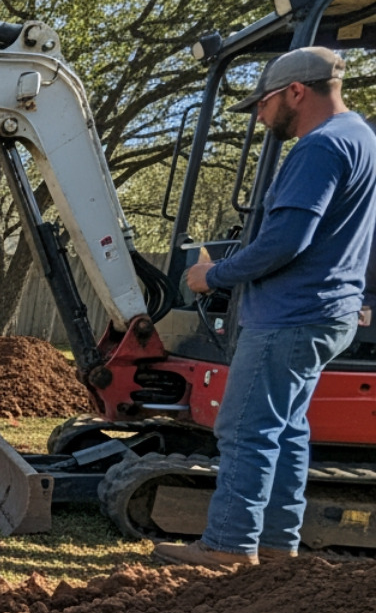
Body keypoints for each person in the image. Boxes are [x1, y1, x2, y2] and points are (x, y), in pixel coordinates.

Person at [155, 46, 376, 567]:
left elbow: (286, 240)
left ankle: (229, 546)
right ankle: (277, 545)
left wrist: (214, 275)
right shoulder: (362, 138)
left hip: (289, 315)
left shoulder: (320, 146)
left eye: (264, 102)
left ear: (296, 92)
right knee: (288, 429)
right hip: (328, 312)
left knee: (246, 430)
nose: (259, 115)